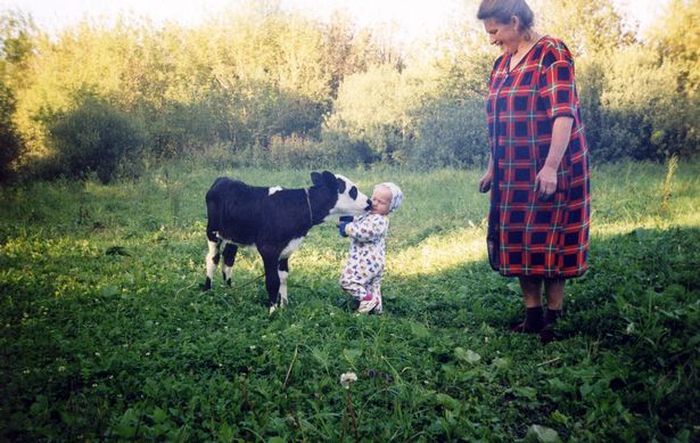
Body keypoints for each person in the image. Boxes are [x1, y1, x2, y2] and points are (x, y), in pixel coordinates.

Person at [476, 0, 591, 343]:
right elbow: (499, 121)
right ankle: (532, 314)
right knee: (520, 240)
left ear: (514, 21)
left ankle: (554, 315)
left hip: (550, 166)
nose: (492, 40)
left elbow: (563, 113)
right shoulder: (500, 65)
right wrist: (492, 167)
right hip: (513, 171)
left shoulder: (551, 52)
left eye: (495, 31)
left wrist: (552, 167)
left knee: (551, 239)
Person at [338, 182, 403, 314]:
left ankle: (368, 300)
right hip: (373, 261)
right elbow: (358, 217)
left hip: (367, 260)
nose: (375, 203)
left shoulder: (380, 220)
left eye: (382, 202)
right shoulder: (370, 214)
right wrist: (349, 217)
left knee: (348, 281)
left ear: (390, 208)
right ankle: (376, 310)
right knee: (372, 285)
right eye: (374, 199)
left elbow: (365, 232)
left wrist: (347, 228)